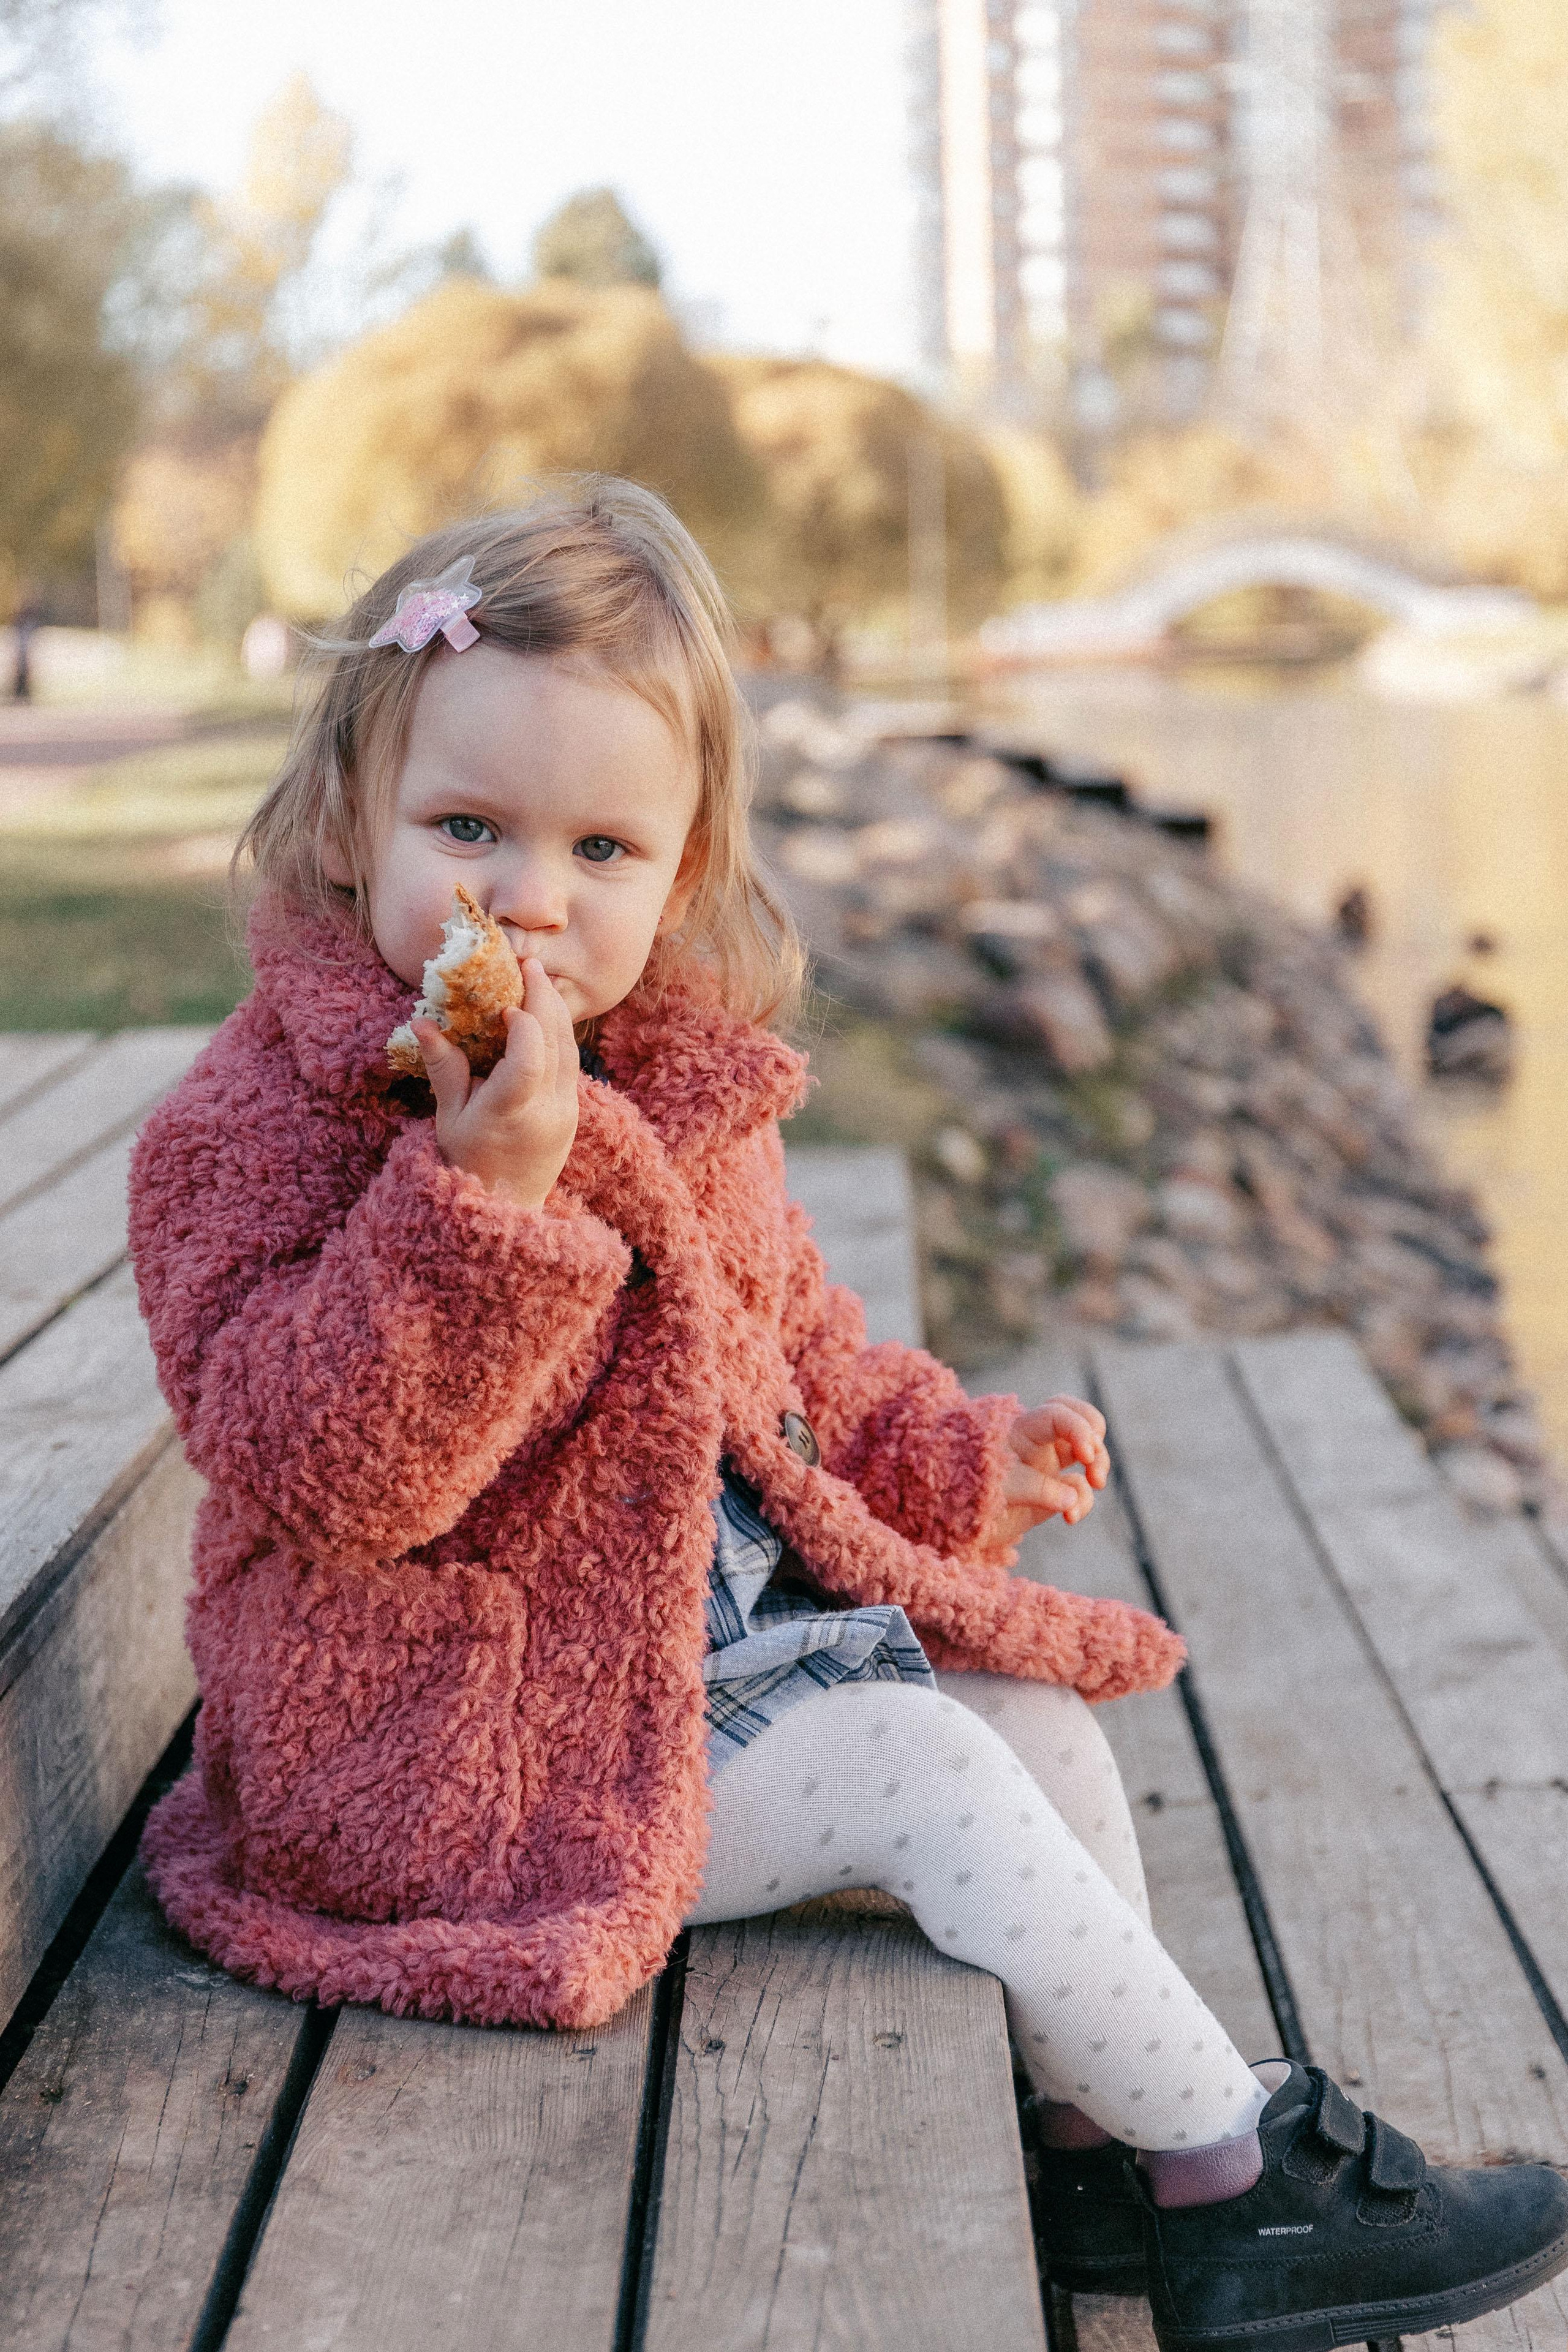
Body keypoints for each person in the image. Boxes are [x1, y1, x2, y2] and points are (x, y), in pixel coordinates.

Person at [127, 483, 1567, 2352]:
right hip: (441, 1744)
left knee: (1029, 1719)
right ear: (347, 817)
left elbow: (801, 1359)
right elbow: (328, 1478)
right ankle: (1243, 2184)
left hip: (683, 1661)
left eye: (603, 849)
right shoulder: (264, 1134)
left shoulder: (686, 1097)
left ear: (684, 862)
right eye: (468, 829)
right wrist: (474, 1214)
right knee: (916, 1762)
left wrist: (961, 1456)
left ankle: (1096, 2154)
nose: (535, 902)